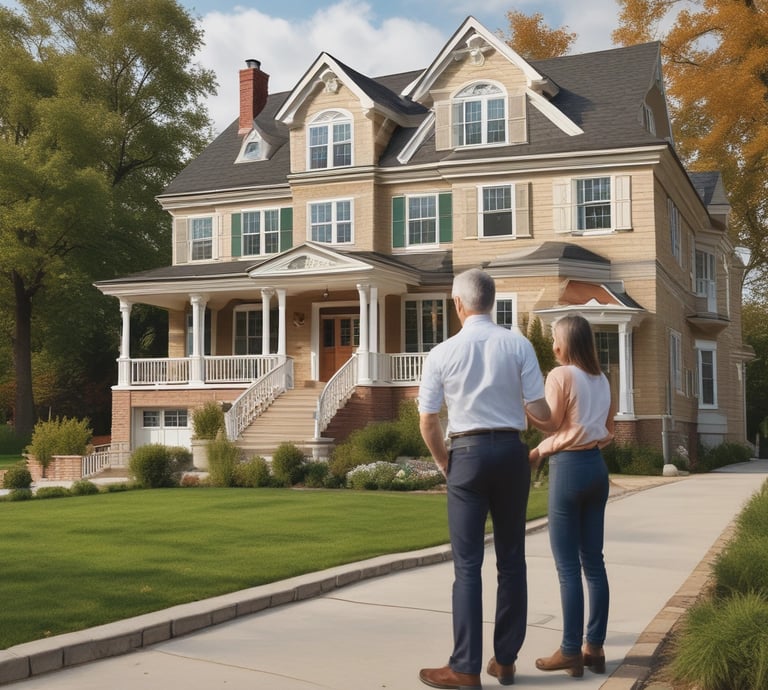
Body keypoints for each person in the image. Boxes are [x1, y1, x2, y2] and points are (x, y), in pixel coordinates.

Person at [417, 268, 550, 690]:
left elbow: (428, 421)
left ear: (458, 304)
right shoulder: (518, 344)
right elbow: (540, 411)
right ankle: (505, 662)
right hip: (511, 453)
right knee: (511, 560)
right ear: (491, 302)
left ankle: (465, 667)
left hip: (467, 456)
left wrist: (445, 463)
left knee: (468, 565)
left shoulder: (441, 353)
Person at [527, 314, 615, 678]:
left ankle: (569, 651)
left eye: (554, 338)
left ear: (564, 344)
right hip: (596, 467)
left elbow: (551, 422)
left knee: (567, 568)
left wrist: (525, 407)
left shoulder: (560, 375)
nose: (552, 345)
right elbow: (608, 430)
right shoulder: (602, 378)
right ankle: (594, 648)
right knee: (594, 562)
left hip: (569, 469)